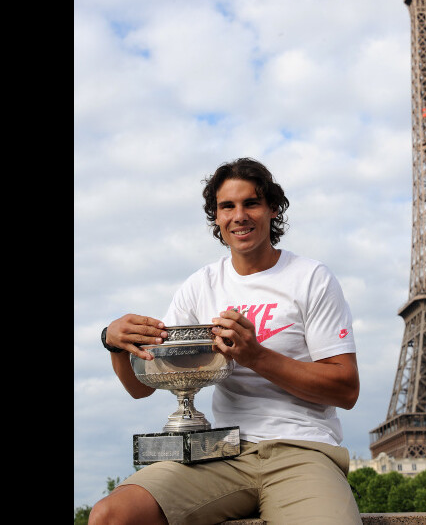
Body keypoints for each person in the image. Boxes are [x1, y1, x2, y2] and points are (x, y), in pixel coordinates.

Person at [89, 157, 362, 525]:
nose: (239, 215)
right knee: (111, 516)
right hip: (220, 451)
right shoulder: (200, 286)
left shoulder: (311, 278)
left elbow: (346, 390)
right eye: (227, 206)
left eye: (251, 203)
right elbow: (144, 389)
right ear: (215, 218)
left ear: (273, 211)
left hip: (303, 450)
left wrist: (257, 356)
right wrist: (118, 346)